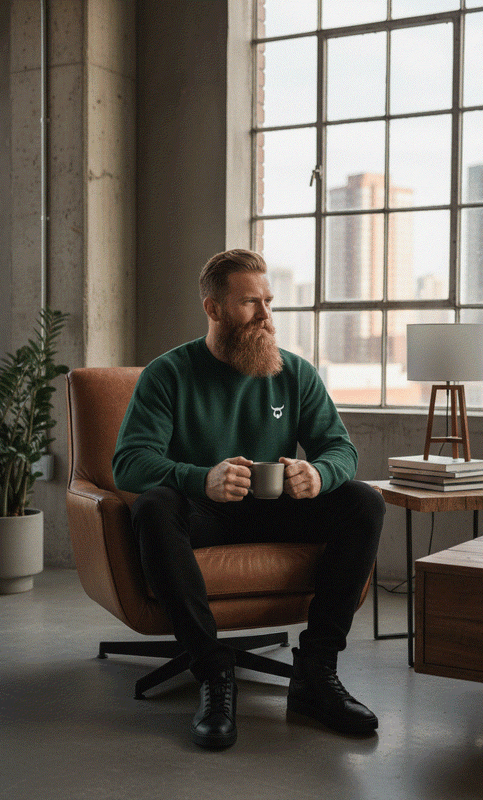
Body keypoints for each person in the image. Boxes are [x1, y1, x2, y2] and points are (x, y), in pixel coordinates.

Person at [112, 249, 385, 749]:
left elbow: (340, 448)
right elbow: (128, 463)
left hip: (276, 508)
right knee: (152, 506)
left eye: (268, 301)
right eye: (249, 303)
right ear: (213, 308)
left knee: (364, 501)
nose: (265, 316)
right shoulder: (168, 373)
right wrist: (201, 478)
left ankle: (316, 675)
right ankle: (213, 675)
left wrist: (318, 475)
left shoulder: (293, 373)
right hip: (205, 514)